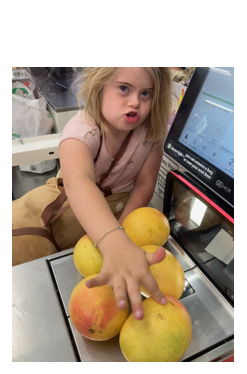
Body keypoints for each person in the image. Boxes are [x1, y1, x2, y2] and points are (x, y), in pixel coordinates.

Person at [59, 67, 172, 320]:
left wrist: (124, 230)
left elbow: (144, 185)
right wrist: (114, 241)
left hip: (121, 206)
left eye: (146, 93)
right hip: (74, 202)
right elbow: (78, 182)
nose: (135, 102)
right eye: (124, 88)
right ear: (99, 87)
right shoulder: (82, 129)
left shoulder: (151, 137)